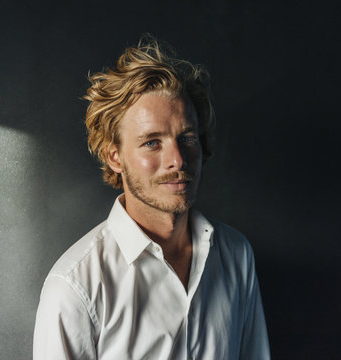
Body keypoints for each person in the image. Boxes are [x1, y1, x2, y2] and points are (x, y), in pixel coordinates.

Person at [33, 37, 270, 360]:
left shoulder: (236, 255)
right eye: (152, 143)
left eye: (187, 138)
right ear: (115, 157)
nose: (178, 160)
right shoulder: (75, 286)